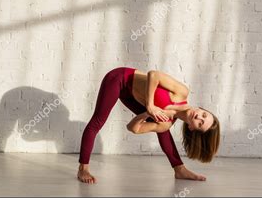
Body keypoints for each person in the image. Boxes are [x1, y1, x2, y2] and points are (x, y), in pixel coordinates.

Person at [77, 67, 220, 184]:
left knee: (163, 127)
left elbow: (132, 128)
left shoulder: (165, 124)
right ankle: (83, 168)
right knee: (97, 122)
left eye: (200, 123)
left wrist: (146, 114)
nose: (199, 117)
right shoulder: (181, 93)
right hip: (119, 78)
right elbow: (154, 74)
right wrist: (150, 106)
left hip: (131, 97)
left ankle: (179, 170)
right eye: (204, 115)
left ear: (191, 128)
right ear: (202, 108)